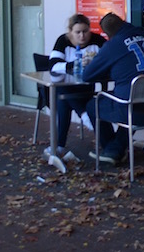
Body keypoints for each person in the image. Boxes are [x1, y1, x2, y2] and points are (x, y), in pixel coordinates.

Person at [82, 12, 144, 165]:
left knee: (93, 104)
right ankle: (115, 147)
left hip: (136, 113)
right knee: (131, 99)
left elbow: (87, 76)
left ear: (108, 34)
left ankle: (112, 149)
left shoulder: (114, 45)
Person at [44, 14, 106, 160]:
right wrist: (75, 65)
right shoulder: (63, 41)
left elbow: (107, 60)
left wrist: (94, 63)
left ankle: (59, 146)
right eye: (77, 32)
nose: (82, 36)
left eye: (85, 31)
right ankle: (85, 116)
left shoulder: (98, 40)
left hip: (87, 89)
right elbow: (53, 66)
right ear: (70, 32)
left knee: (63, 98)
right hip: (67, 87)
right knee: (62, 94)